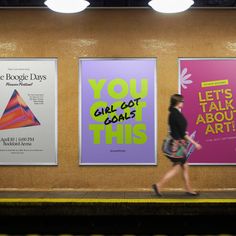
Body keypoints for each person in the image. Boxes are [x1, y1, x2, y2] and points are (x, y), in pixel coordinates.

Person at [152, 94, 202, 196]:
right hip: (177, 146)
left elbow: (178, 131)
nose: (183, 103)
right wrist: (195, 143)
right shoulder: (176, 115)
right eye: (182, 101)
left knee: (184, 166)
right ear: (178, 102)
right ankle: (158, 185)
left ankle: (188, 188)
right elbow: (183, 133)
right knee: (177, 167)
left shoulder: (173, 113)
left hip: (175, 144)